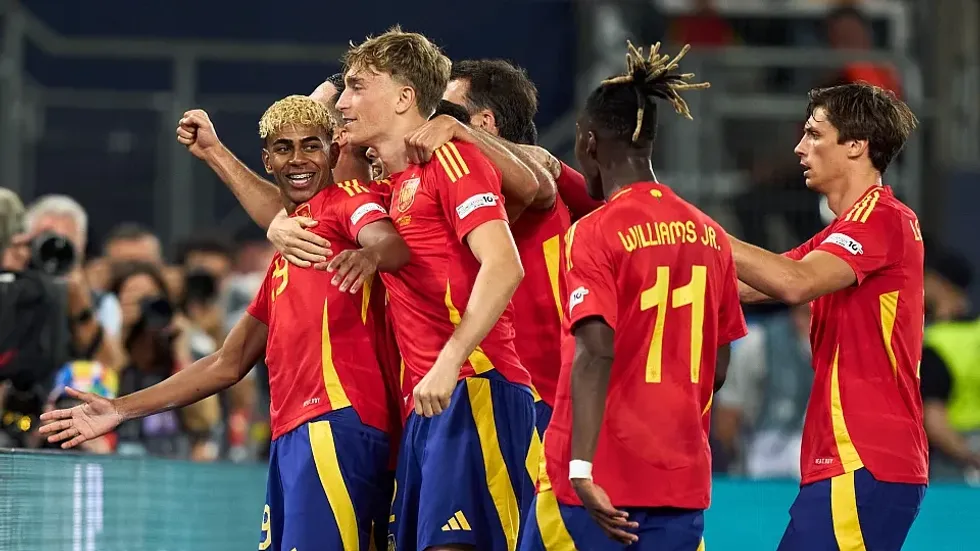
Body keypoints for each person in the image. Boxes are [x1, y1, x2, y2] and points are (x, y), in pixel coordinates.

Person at [40, 95, 411, 551]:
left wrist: (369, 256)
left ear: (334, 152)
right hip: (293, 434)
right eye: (284, 148)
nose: (298, 159)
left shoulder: (346, 201)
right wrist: (119, 409)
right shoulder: (287, 258)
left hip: (335, 422)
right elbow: (225, 363)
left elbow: (391, 245)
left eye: (312, 146)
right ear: (267, 160)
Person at [520, 42, 745, 550]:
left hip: (595, 485)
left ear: (588, 142)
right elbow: (719, 367)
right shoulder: (711, 235)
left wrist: (581, 468)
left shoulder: (594, 232)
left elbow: (596, 349)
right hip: (679, 485)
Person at [336, 28, 536, 551]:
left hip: (474, 385)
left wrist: (449, 362)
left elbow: (504, 265)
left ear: (405, 97)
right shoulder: (390, 188)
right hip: (428, 405)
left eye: (357, 87)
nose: (342, 102)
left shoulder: (451, 161)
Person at [732, 82, 926, 551]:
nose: (800, 148)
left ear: (856, 145)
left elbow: (794, 283)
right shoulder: (843, 231)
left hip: (862, 455)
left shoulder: (882, 218)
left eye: (815, 134)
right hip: (851, 461)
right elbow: (751, 286)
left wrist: (693, 226)